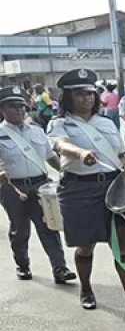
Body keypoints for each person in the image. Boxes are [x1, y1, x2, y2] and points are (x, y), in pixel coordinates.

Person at [47, 68, 125, 319]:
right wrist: (80, 153)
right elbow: (60, 144)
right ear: (68, 98)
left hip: (113, 188)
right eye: (80, 94)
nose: (87, 99)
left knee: (122, 247)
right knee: (85, 247)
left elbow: (119, 153)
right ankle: (85, 289)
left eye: (90, 94)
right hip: (79, 189)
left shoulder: (106, 122)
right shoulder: (59, 123)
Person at [0, 86, 76, 283]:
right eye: (13, 106)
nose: (19, 110)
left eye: (22, 106)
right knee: (20, 230)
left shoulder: (37, 131)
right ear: (2, 109)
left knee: (49, 227)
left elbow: (50, 156)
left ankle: (60, 268)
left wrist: (64, 172)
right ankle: (22, 264)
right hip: (13, 188)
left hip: (41, 186)